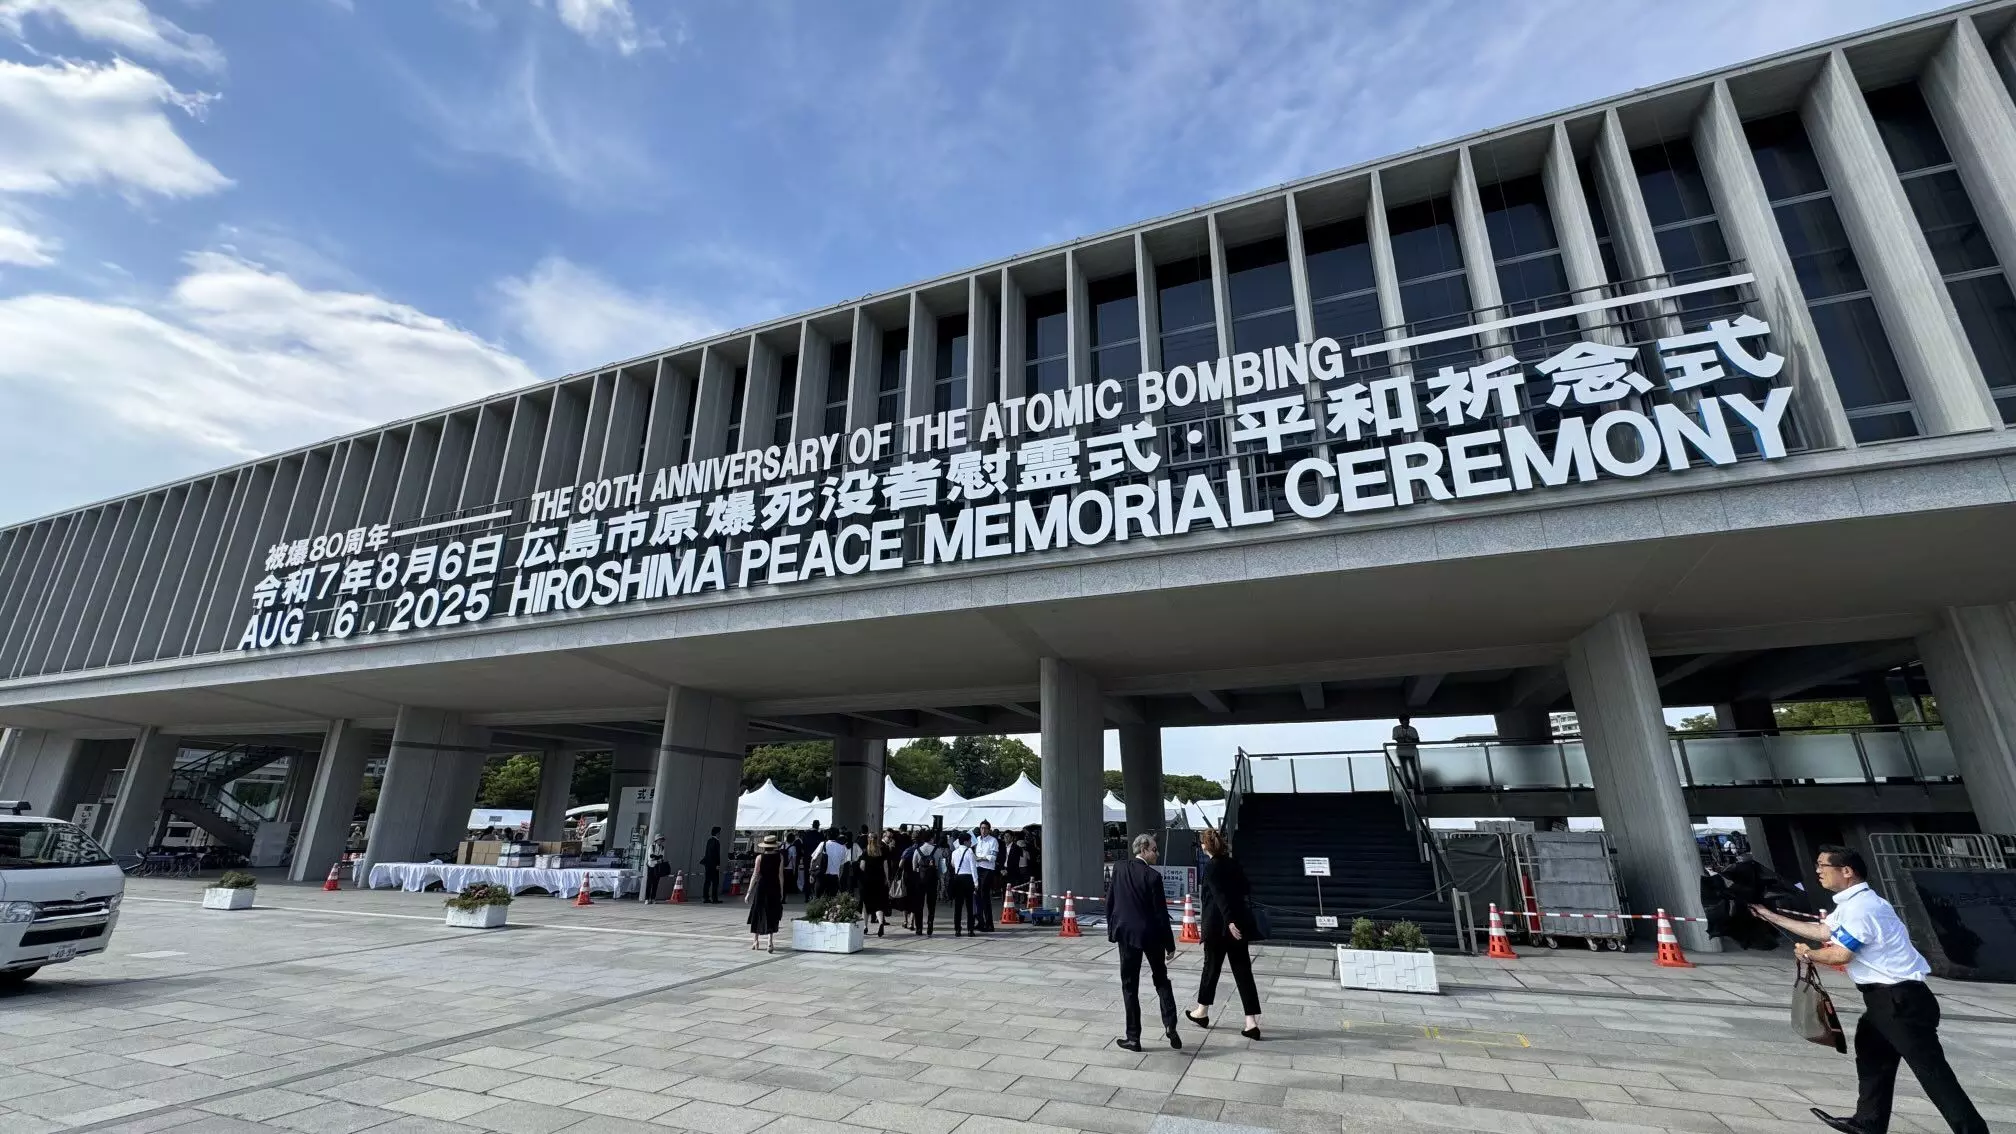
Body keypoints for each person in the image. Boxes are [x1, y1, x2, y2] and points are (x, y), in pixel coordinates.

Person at [1750, 846, 1987, 1134]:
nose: (1818, 871)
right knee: (1873, 1054)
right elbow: (1824, 932)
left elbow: (1841, 955)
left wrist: (1808, 955)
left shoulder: (1861, 909)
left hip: (1899, 1000)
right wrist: (1769, 916)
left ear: (1846, 871)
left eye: (1823, 865)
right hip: (1886, 1001)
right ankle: (1868, 1122)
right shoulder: (1855, 904)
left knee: (1933, 1073)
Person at [1185, 828, 1263, 1039]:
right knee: (1243, 972)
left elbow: (1219, 896)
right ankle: (1251, 1022)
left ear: (1205, 846)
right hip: (1238, 926)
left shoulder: (1211, 867)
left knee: (1210, 969)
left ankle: (1202, 1011)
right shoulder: (1233, 863)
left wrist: (1228, 920)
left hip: (1218, 927)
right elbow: (1246, 888)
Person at [1108, 833, 1181, 1052]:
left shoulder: (1119, 868)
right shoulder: (1152, 877)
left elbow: (1110, 900)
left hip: (1127, 935)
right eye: (1155, 849)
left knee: (1130, 986)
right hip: (1152, 935)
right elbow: (1161, 913)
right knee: (1161, 979)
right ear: (1143, 849)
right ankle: (1170, 1024)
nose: (1157, 853)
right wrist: (1170, 944)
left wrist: (1113, 929)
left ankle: (1133, 1037)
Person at [745, 833, 785, 952]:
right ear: (774, 846)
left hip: (762, 886)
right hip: (774, 886)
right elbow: (780, 875)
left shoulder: (759, 858)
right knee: (772, 913)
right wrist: (782, 891)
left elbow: (755, 875)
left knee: (758, 911)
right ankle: (770, 942)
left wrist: (748, 892)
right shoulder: (780, 857)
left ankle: (756, 941)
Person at [905, 830, 939, 936]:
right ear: (932, 838)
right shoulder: (936, 850)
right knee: (931, 905)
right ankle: (930, 926)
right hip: (932, 880)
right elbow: (940, 867)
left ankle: (919, 928)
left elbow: (914, 867)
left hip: (920, 881)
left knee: (919, 905)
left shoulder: (918, 850)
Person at [860, 830, 893, 937]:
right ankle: (880, 923)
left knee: (866, 904)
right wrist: (887, 879)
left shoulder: (865, 851)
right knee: (879, 903)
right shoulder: (882, 850)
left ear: (868, 839)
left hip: (868, 880)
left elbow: (862, 866)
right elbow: (886, 866)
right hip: (879, 880)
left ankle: (865, 927)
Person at [949, 833, 978, 937]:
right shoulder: (970, 852)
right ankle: (970, 929)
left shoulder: (954, 852)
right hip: (968, 878)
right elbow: (973, 868)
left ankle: (957, 929)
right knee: (969, 905)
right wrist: (976, 882)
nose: (971, 843)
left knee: (958, 906)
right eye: (970, 841)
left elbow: (952, 864)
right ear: (965, 841)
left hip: (958, 879)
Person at [972, 821, 999, 932]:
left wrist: (981, 858)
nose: (983, 830)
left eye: (985, 828)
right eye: (982, 828)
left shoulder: (993, 841)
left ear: (989, 829)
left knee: (984, 895)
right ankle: (980, 921)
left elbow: (993, 857)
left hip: (987, 869)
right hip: (977, 868)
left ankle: (989, 923)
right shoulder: (977, 840)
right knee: (977, 895)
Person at [1391, 715, 1422, 793]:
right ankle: (1409, 786)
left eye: (1408, 721)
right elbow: (1397, 740)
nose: (1407, 723)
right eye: (1405, 722)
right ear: (1401, 722)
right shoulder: (1396, 729)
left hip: (1411, 752)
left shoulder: (1412, 729)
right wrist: (1407, 740)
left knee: (1414, 769)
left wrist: (1408, 740)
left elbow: (1417, 740)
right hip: (1401, 752)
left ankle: (1417, 786)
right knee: (1405, 770)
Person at [1003, 830, 1032, 909]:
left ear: (1012, 838)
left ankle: (1015, 903)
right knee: (1008, 890)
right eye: (1004, 836)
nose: (1005, 838)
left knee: (1015, 887)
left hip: (1015, 871)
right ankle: (1009, 904)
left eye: (1008, 836)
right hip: (1008, 870)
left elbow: (1015, 862)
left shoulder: (1017, 849)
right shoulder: (1003, 847)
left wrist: (1008, 870)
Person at [817, 829, 848, 899]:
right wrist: (839, 877)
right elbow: (842, 865)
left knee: (820, 899)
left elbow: (814, 858)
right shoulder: (842, 847)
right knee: (832, 900)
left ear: (827, 835)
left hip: (822, 875)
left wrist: (812, 874)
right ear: (837, 836)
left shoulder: (822, 844)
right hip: (834, 877)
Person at [701, 826, 723, 904]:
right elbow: (715, 855)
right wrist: (717, 864)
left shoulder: (709, 841)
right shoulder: (716, 842)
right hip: (713, 865)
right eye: (719, 833)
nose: (720, 834)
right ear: (717, 833)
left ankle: (705, 897)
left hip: (708, 865)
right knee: (715, 882)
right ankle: (714, 898)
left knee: (707, 881)